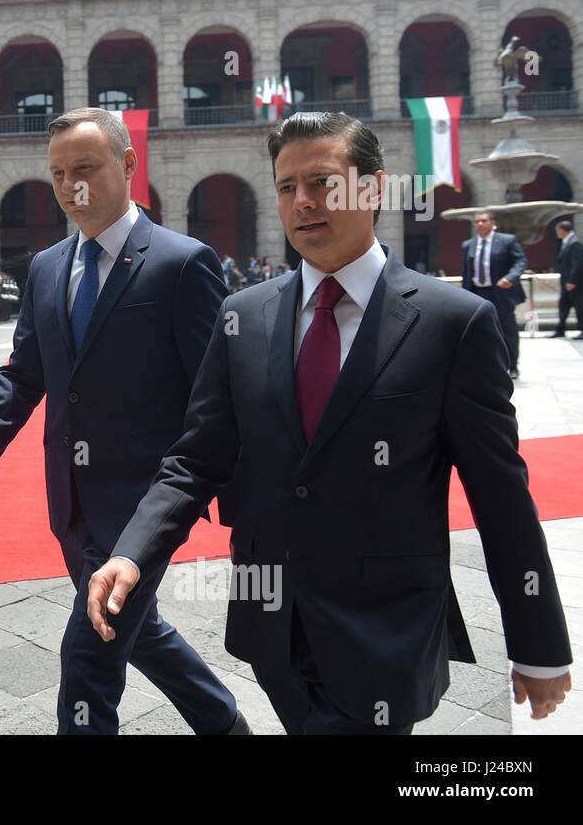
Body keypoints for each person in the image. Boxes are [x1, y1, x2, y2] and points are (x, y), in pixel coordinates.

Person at [88, 112, 573, 734]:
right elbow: (198, 458)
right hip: (273, 624)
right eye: (287, 186)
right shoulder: (244, 318)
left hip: (387, 629)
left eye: (322, 182)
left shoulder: (454, 323)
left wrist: (538, 643)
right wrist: (132, 553)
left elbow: (500, 495)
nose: (303, 202)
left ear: (372, 188)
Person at [0, 107, 243, 736]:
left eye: (85, 167)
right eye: (57, 174)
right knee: (139, 630)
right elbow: (24, 373)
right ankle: (223, 722)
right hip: (71, 501)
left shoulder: (182, 263)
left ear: (128, 164)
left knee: (87, 660)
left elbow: (214, 396)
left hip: (144, 507)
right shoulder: (49, 267)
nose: (70, 186)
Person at [461, 212, 527, 379]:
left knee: (507, 330)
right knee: (477, 330)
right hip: (477, 292)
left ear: (492, 223)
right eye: (477, 222)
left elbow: (521, 261)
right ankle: (484, 364)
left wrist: (510, 277)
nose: (480, 224)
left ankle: (512, 366)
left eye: (484, 221)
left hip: (500, 293)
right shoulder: (469, 244)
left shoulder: (507, 240)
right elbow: (467, 272)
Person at [552, 219, 582, 339]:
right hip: (566, 283)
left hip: (575, 284)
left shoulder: (575, 243)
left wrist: (572, 281)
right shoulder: (566, 242)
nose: (557, 233)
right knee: (563, 306)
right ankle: (560, 329)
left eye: (557, 231)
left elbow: (578, 264)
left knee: (580, 307)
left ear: (562, 230)